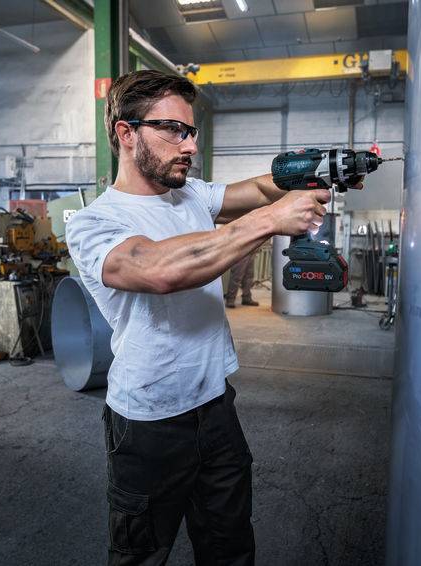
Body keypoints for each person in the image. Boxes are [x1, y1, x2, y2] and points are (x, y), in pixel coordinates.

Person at [65, 70, 332, 566]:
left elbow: (254, 189)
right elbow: (160, 269)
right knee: (141, 554)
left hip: (215, 406)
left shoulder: (189, 195)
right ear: (127, 133)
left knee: (229, 544)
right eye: (173, 130)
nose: (188, 145)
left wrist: (318, 173)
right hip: (147, 420)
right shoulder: (94, 222)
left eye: (191, 132)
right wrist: (273, 219)